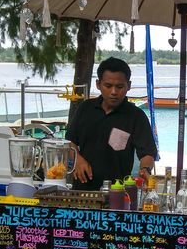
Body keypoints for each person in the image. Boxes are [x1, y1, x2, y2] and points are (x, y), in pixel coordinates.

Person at [66, 57, 157, 190]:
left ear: (129, 86)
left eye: (119, 86)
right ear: (98, 84)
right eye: (108, 86)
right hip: (82, 189)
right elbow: (70, 141)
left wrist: (145, 170)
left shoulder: (136, 116)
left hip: (118, 191)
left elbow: (147, 153)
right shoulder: (86, 108)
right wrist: (77, 158)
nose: (114, 92)